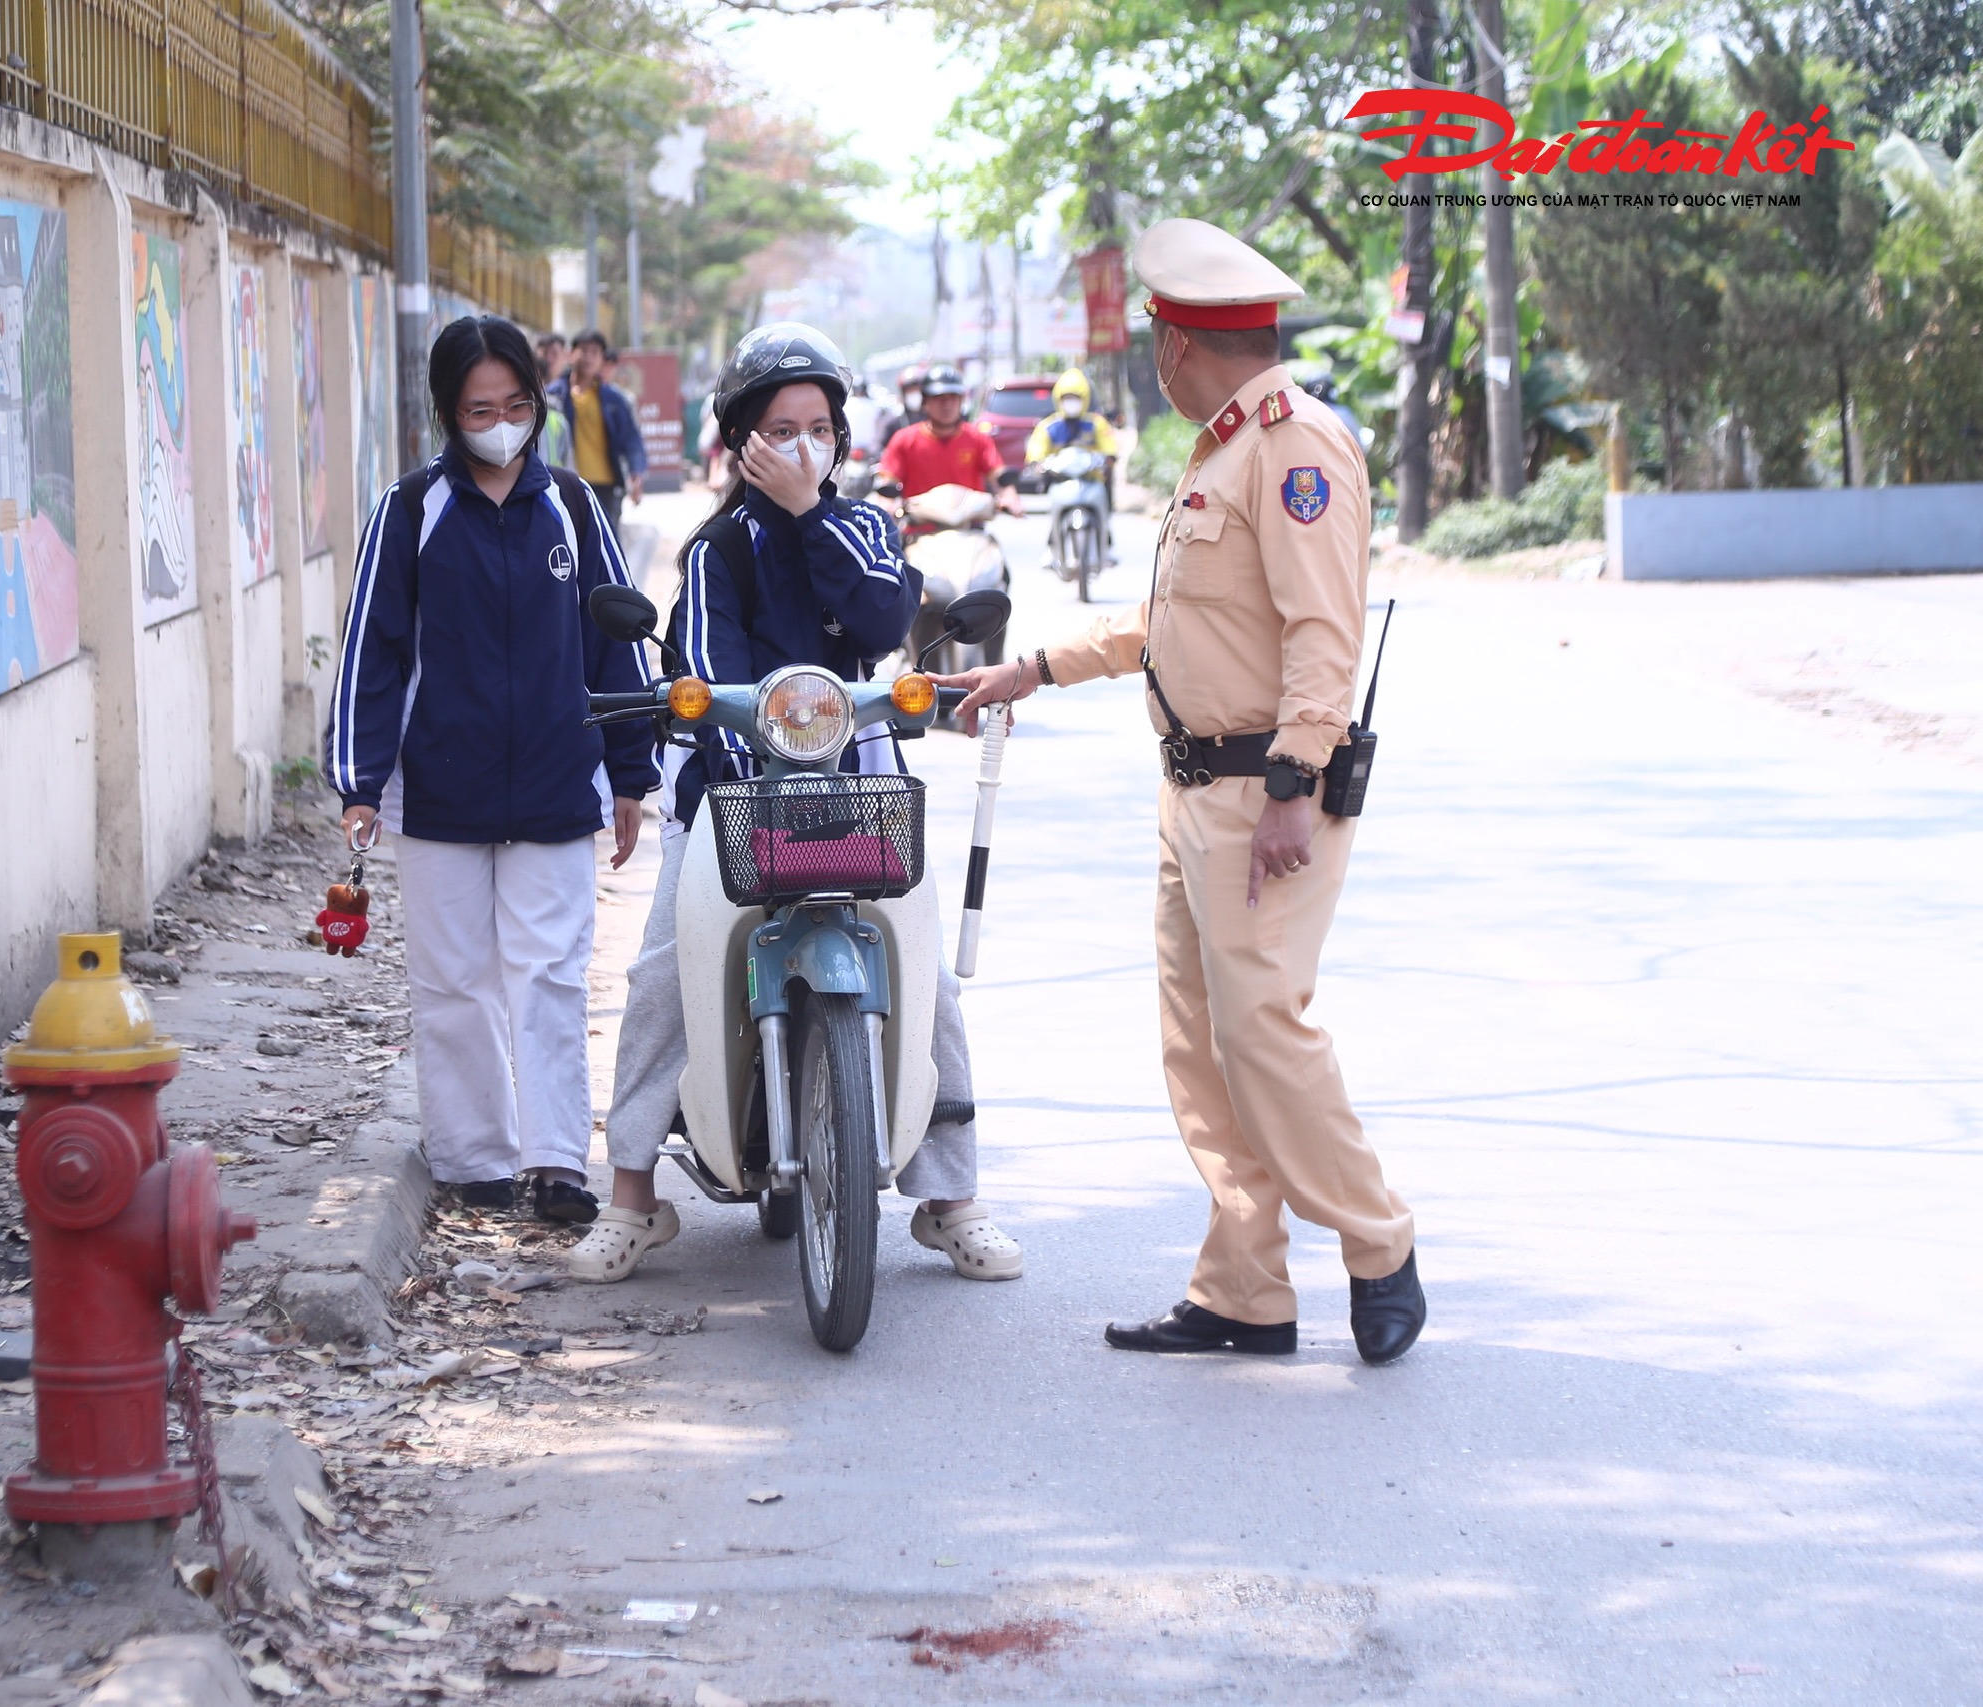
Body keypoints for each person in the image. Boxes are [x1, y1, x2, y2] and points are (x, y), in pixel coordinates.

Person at [932, 218, 1423, 1366]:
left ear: (1177, 345)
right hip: (1191, 789)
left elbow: (1320, 634)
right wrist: (1041, 667)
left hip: (1266, 791)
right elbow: (1179, 623)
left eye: (1157, 335)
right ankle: (1245, 1289)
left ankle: (1377, 1239)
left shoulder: (1295, 449)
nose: (1152, 356)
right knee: (1200, 1046)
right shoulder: (1220, 450)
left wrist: (1297, 785)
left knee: (1264, 1031)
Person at [568, 321, 1024, 1287]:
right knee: (659, 975)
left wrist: (812, 511)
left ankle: (951, 1199)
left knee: (928, 980)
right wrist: (747, 764)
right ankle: (632, 1196)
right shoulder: (714, 552)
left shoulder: (861, 528)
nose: (803, 444)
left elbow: (874, 618)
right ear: (743, 442)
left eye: (820, 426)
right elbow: (703, 668)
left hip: (858, 792)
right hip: (735, 800)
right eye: (781, 428)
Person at [327, 315, 660, 1224]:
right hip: (439, 787)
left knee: (552, 972)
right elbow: (373, 650)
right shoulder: (409, 511)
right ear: (446, 413)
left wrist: (631, 774)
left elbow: (615, 642)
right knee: (453, 978)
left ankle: (557, 1160)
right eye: (481, 408)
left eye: (518, 404)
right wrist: (359, 779)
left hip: (558, 780)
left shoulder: (577, 508)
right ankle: (474, 1154)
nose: (502, 423)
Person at [878, 365, 1022, 514]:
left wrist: (1009, 496)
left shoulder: (977, 438)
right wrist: (887, 506)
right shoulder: (904, 440)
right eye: (939, 399)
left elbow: (998, 474)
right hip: (919, 529)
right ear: (925, 402)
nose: (947, 405)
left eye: (953, 398)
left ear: (961, 401)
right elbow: (888, 481)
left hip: (970, 527)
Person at [1025, 366, 1124, 561]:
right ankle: (1052, 545)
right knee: (1053, 511)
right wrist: (1037, 464)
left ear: (1085, 398)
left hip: (1092, 480)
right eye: (1067, 397)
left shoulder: (1096, 423)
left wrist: (1109, 457)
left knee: (1106, 503)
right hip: (1060, 481)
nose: (1071, 403)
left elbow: (1109, 445)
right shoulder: (1049, 426)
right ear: (1059, 398)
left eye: (1076, 397)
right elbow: (1036, 449)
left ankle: (1107, 543)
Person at [551, 329, 647, 530]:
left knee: (605, 543)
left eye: (595, 353)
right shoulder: (554, 396)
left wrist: (636, 473)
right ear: (572, 354)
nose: (588, 357)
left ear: (602, 359)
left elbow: (631, 438)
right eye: (584, 350)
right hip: (567, 483)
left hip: (606, 485)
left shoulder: (614, 399)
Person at [534, 331, 575, 468]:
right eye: (545, 354)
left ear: (566, 355)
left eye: (554, 354)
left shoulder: (573, 392)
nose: (549, 359)